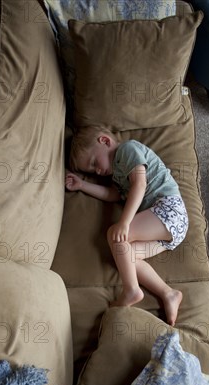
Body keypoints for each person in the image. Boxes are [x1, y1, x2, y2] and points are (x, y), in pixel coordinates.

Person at [65, 126, 189, 326]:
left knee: (115, 234)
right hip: (170, 230)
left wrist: (124, 223)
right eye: (92, 170)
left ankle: (131, 290)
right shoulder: (117, 177)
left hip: (169, 209)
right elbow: (112, 195)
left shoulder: (127, 150)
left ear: (105, 141)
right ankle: (169, 293)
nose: (97, 170)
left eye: (95, 162)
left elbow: (140, 185)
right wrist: (82, 185)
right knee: (127, 255)